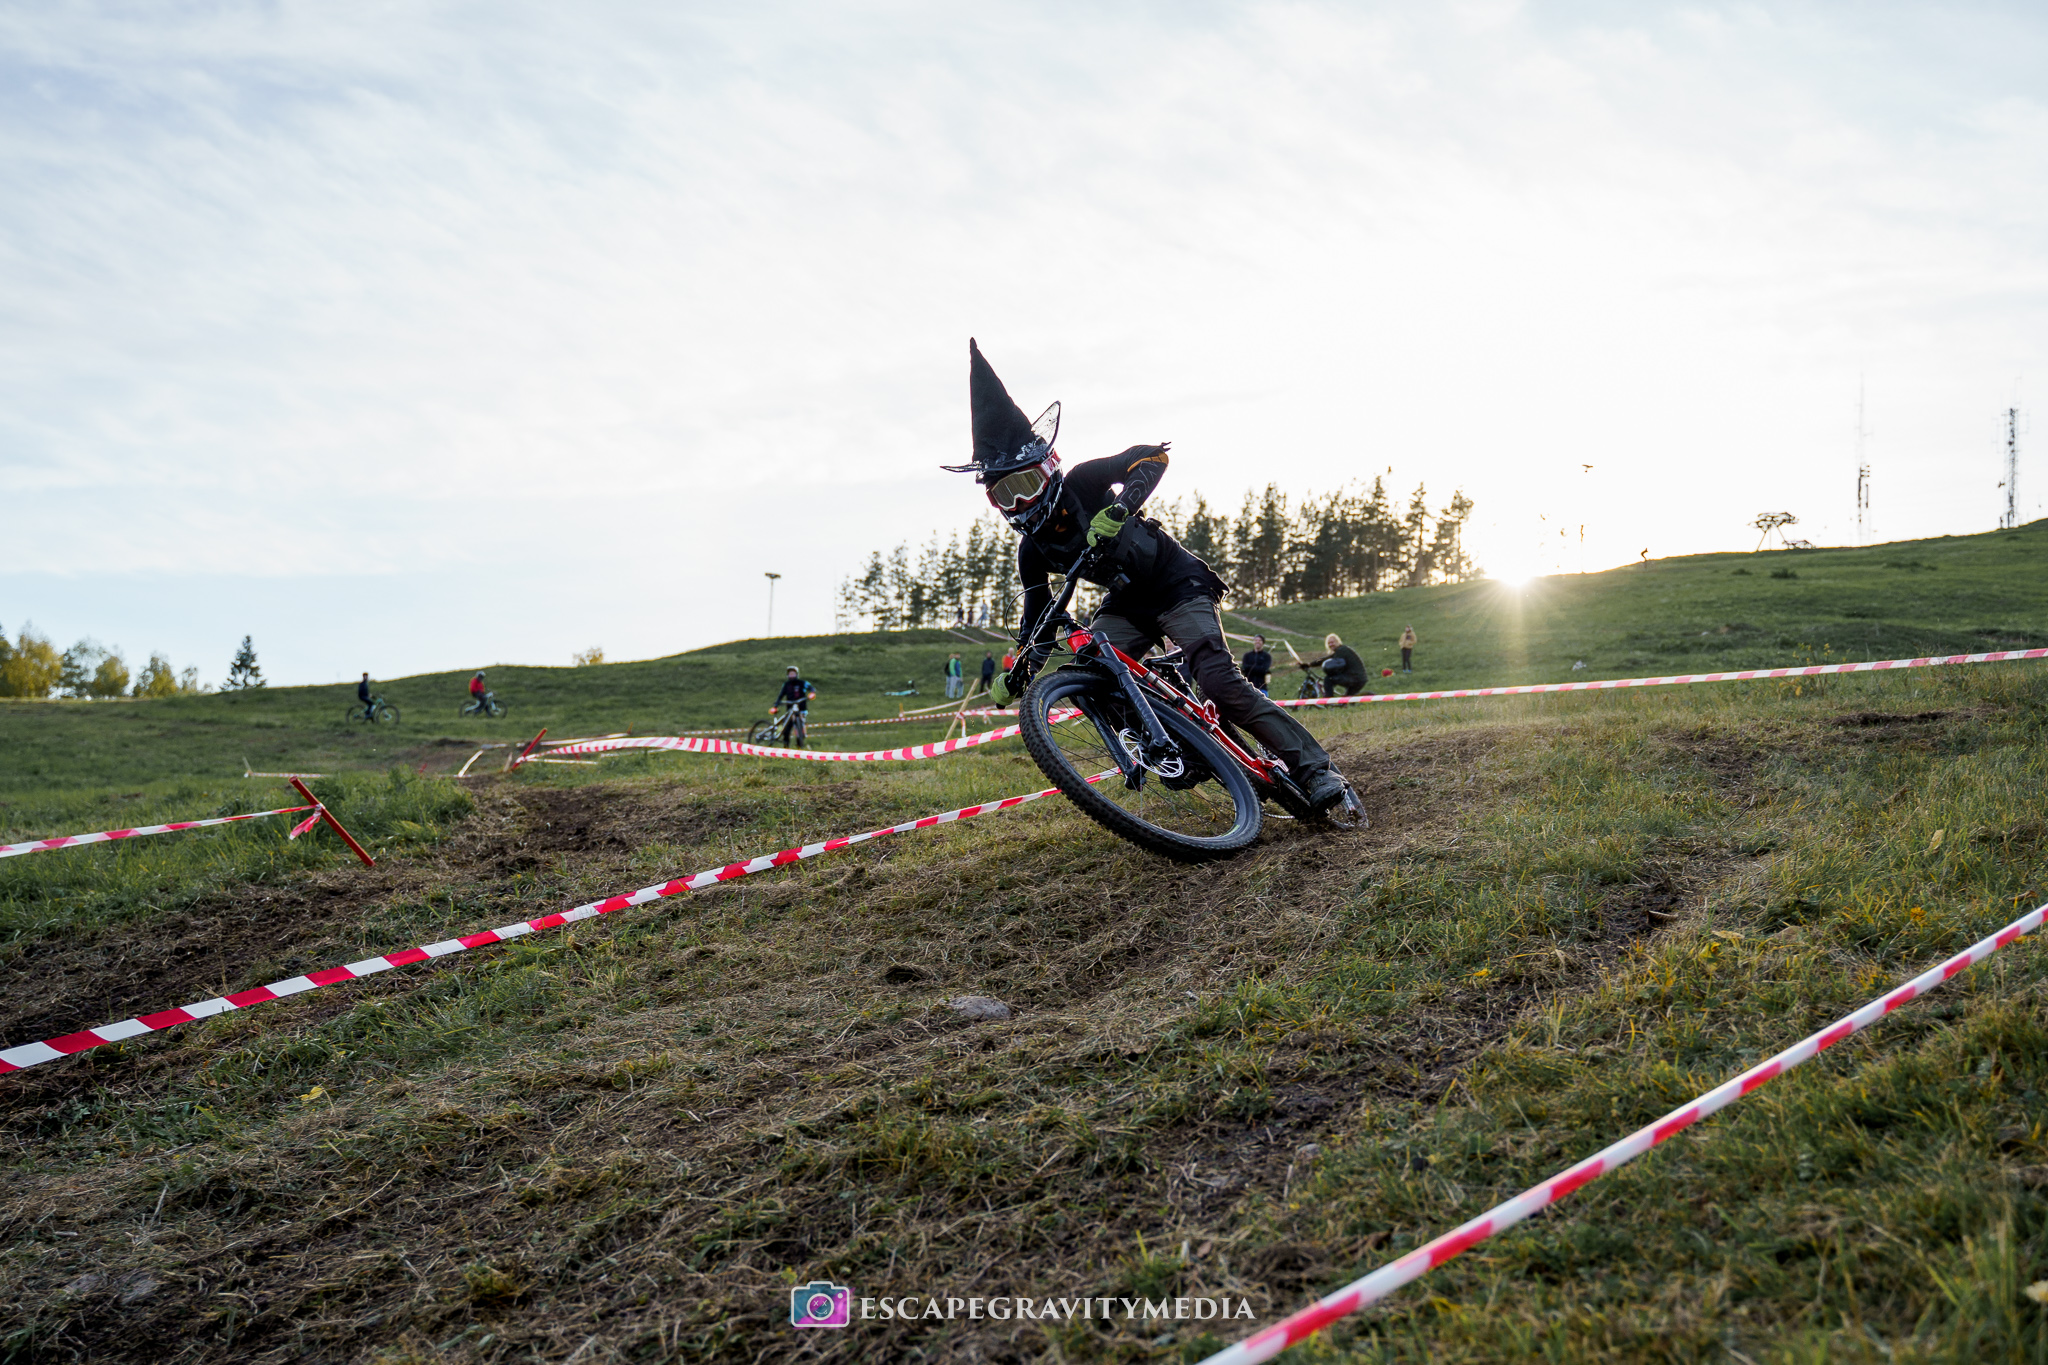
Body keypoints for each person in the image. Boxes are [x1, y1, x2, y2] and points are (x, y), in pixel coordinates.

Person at [948, 339, 1351, 813]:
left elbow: (1151, 457)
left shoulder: (1082, 482)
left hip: (1176, 583)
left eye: (1025, 484)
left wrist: (1121, 507)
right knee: (1089, 674)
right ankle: (1182, 749)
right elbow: (1039, 616)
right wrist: (1022, 670)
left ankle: (1316, 770)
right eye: (1004, 495)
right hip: (1127, 604)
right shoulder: (1031, 550)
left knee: (1220, 684)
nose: (1020, 503)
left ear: (1048, 469)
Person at [1299, 633, 1370, 697]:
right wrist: (1309, 664)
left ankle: (1329, 701)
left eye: (1332, 642)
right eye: (1329, 643)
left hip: (1355, 678)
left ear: (1338, 642)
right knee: (1345, 700)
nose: (1330, 645)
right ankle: (1343, 704)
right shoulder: (1340, 651)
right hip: (1359, 679)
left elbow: (1335, 666)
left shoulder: (1342, 651)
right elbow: (1325, 659)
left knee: (1328, 680)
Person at [771, 665, 817, 746]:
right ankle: (786, 746)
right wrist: (776, 704)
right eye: (790, 674)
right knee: (786, 728)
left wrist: (812, 693)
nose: (792, 675)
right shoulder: (786, 685)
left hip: (801, 709)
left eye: (793, 674)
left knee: (800, 728)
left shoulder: (802, 683)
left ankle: (799, 745)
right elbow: (781, 695)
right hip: (790, 710)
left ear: (797, 674)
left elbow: (811, 688)